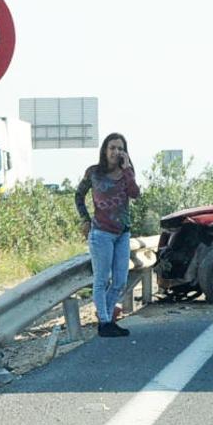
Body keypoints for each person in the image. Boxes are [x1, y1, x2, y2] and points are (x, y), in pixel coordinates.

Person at [75, 133, 141, 337]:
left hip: (122, 233)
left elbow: (135, 194)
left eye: (120, 148)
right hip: (101, 233)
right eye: (112, 147)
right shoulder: (94, 172)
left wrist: (128, 169)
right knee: (102, 279)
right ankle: (104, 322)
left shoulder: (126, 172)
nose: (116, 152)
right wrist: (85, 219)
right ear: (105, 150)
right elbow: (79, 195)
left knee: (120, 281)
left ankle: (106, 317)